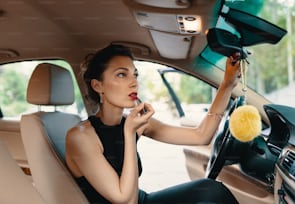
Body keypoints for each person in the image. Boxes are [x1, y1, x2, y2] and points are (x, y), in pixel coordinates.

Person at [66, 44, 240, 204]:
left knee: (211, 191)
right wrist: (129, 134)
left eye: (135, 74)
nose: (134, 82)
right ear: (98, 86)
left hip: (142, 200)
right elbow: (125, 200)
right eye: (121, 74)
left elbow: (201, 136)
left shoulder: (132, 122)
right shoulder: (81, 137)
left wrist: (227, 84)